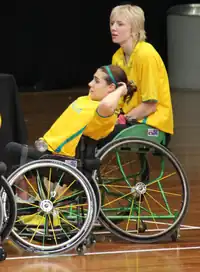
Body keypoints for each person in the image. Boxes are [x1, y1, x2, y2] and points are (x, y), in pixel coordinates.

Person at [5, 64, 137, 203]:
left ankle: (19, 201)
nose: (90, 83)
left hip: (61, 158)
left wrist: (122, 89)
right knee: (12, 155)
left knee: (11, 149)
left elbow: (107, 105)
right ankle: (21, 201)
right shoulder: (87, 100)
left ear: (111, 88)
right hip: (46, 148)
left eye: (96, 81)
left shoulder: (105, 112)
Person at [102, 4, 174, 146]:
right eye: (112, 23)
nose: (113, 28)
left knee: (101, 135)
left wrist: (121, 119)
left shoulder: (146, 55)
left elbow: (150, 105)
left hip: (152, 123)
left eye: (120, 24)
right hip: (131, 118)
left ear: (134, 29)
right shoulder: (117, 57)